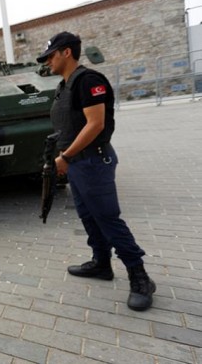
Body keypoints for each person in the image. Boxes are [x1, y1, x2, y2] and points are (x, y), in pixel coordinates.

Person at [37, 31, 156, 311]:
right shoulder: (63, 85)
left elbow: (96, 124)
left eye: (51, 56)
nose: (47, 62)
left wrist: (65, 155)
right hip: (78, 163)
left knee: (108, 220)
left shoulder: (88, 80)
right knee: (89, 216)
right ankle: (102, 263)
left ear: (67, 52)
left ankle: (140, 276)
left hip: (93, 161)